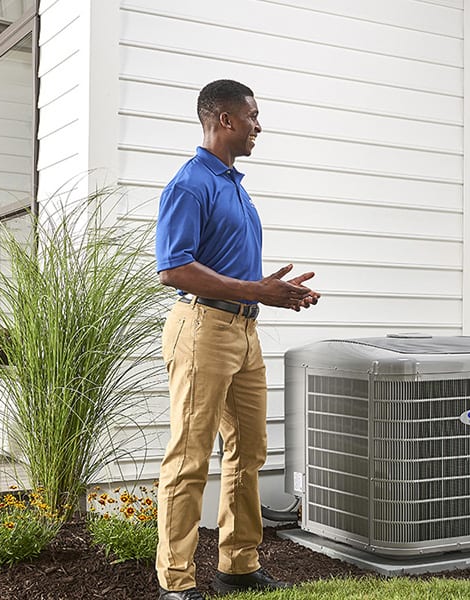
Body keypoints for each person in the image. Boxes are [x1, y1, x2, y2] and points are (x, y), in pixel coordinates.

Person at [153, 79, 320, 600]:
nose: (258, 125)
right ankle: (176, 582)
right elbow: (173, 268)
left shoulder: (234, 186)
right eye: (252, 115)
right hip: (202, 330)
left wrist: (275, 292)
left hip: (244, 331)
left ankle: (239, 564)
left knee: (248, 450)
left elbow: (226, 264)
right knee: (190, 455)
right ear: (224, 119)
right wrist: (256, 290)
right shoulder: (190, 184)